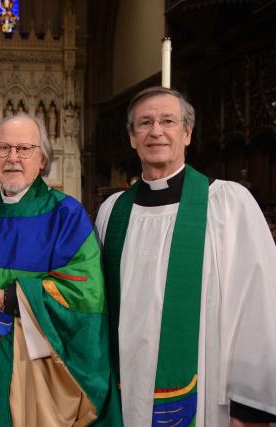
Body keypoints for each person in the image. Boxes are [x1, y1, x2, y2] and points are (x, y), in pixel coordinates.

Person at [96, 86, 276, 426]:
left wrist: (252, 404)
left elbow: (259, 301)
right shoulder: (112, 212)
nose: (156, 131)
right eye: (145, 123)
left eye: (168, 121)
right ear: (132, 137)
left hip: (206, 388)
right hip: (125, 388)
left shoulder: (227, 204)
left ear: (187, 133)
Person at [0, 113, 122, 426]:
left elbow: (83, 290)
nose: (12, 158)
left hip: (31, 366)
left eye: (24, 149)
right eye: (3, 148)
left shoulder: (65, 213)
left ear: (43, 158)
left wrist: (3, 298)